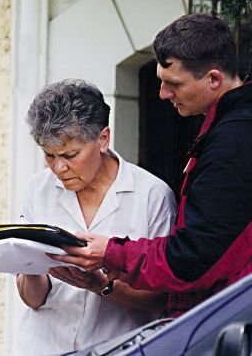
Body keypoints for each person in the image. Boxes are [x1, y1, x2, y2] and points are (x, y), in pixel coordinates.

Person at [51, 14, 252, 317]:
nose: (163, 94)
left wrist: (110, 252)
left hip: (242, 317)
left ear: (214, 79)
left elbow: (193, 260)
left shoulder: (236, 142)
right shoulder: (237, 128)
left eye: (173, 84)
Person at [12, 79, 176, 355]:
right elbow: (33, 300)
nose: (59, 167)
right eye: (49, 155)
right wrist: (29, 263)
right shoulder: (37, 190)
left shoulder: (152, 196)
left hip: (120, 349)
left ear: (103, 138)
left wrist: (101, 286)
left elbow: (163, 299)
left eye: (70, 154)